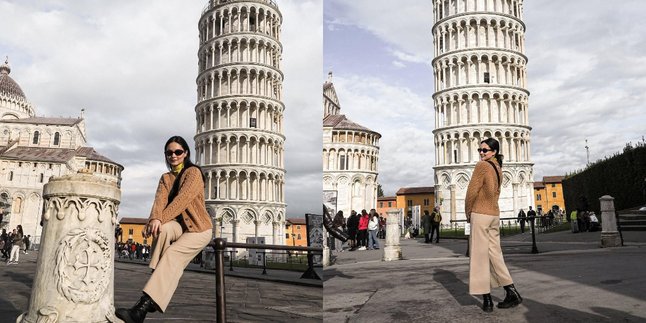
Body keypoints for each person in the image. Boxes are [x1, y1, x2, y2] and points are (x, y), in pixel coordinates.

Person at [116, 136, 213, 323]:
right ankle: (158, 279)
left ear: (185, 153)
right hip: (179, 226)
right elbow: (159, 202)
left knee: (172, 254)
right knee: (163, 229)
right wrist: (153, 220)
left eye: (177, 152)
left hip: (199, 228)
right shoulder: (166, 177)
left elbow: (182, 200)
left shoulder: (193, 173)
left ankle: (140, 309)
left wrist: (159, 219)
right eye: (169, 152)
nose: (173, 156)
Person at [465, 138, 521, 312]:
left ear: (494, 152)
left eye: (485, 150)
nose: (481, 153)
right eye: (480, 150)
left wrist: (468, 213)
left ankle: (487, 300)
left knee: (479, 258)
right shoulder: (498, 168)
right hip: (494, 216)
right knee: (495, 255)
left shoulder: (481, 166)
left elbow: (471, 192)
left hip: (480, 215)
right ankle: (511, 291)